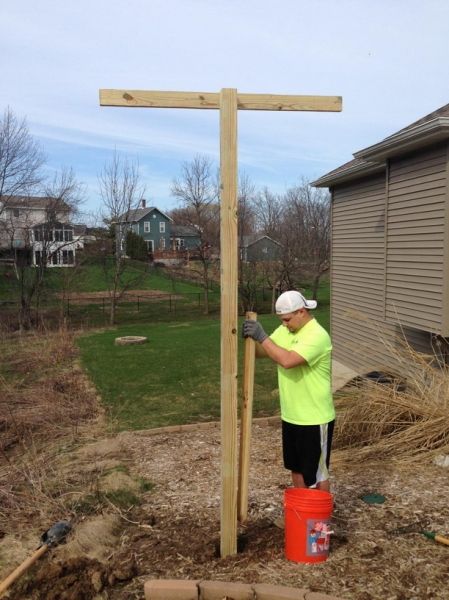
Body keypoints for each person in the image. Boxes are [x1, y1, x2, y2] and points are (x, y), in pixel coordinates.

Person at [242, 290, 334, 492]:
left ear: (301, 312)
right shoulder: (287, 330)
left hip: (314, 418)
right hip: (291, 415)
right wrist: (249, 340)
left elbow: (287, 360)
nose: (284, 324)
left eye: (287, 319)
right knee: (296, 469)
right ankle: (300, 518)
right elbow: (263, 350)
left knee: (317, 475)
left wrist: (262, 336)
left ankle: (319, 523)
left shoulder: (317, 335)